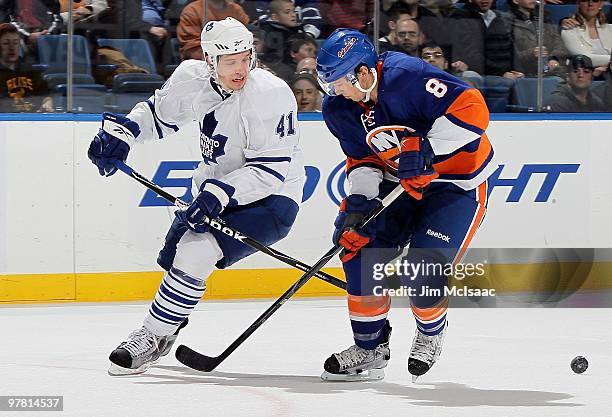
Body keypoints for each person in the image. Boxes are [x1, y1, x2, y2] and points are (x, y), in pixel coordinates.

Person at [87, 17, 305, 375]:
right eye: (229, 61)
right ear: (209, 61)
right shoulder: (191, 77)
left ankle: (152, 336)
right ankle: (168, 327)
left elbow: (269, 170)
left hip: (272, 199)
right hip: (216, 189)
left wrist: (217, 194)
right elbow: (157, 115)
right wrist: (122, 135)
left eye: (245, 57)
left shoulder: (269, 92)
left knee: (196, 249)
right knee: (172, 258)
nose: (240, 69)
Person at [316, 29, 495, 381]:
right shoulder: (339, 108)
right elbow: (363, 159)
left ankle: (430, 334)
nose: (334, 92)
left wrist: (427, 149)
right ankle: (370, 349)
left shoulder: (408, 76)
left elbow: (474, 110)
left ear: (363, 73)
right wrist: (359, 204)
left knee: (423, 269)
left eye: (338, 83)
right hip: (397, 183)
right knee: (360, 249)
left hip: (455, 184)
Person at [503, 0, 568, 76]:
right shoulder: (506, 22)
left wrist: (553, 58)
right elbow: (507, 56)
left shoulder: (544, 18)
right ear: (515, 1)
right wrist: (530, 54)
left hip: (552, 71)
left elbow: (559, 43)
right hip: (524, 73)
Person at [0, 23, 53, 112]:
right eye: (6, 43)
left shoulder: (28, 68)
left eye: (15, 43)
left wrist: (47, 102)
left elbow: (46, 94)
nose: (12, 48)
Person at [177, 0, 250, 60]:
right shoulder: (192, 11)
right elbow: (192, 50)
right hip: (202, 67)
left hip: (239, 62)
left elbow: (252, 39)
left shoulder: (237, 10)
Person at [560, 0, 612, 76]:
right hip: (582, 78)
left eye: (595, 0)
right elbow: (584, 58)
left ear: (601, 4)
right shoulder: (569, 30)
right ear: (578, 4)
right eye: (585, 0)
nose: (590, 4)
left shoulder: (610, 29)